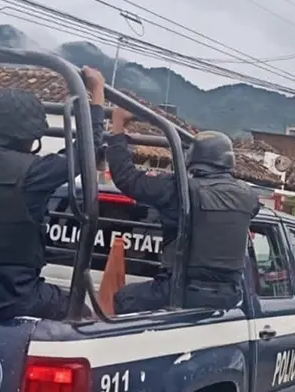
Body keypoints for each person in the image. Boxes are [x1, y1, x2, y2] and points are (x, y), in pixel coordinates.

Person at [0, 69, 107, 322]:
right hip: (13, 299)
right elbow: (85, 152)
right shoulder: (35, 172)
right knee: (85, 316)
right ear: (31, 136)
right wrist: (97, 94)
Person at [107, 107, 260, 314]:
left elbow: (127, 179)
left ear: (193, 160)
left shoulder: (179, 190)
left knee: (124, 298)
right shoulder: (248, 196)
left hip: (182, 291)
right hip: (230, 296)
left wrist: (117, 132)